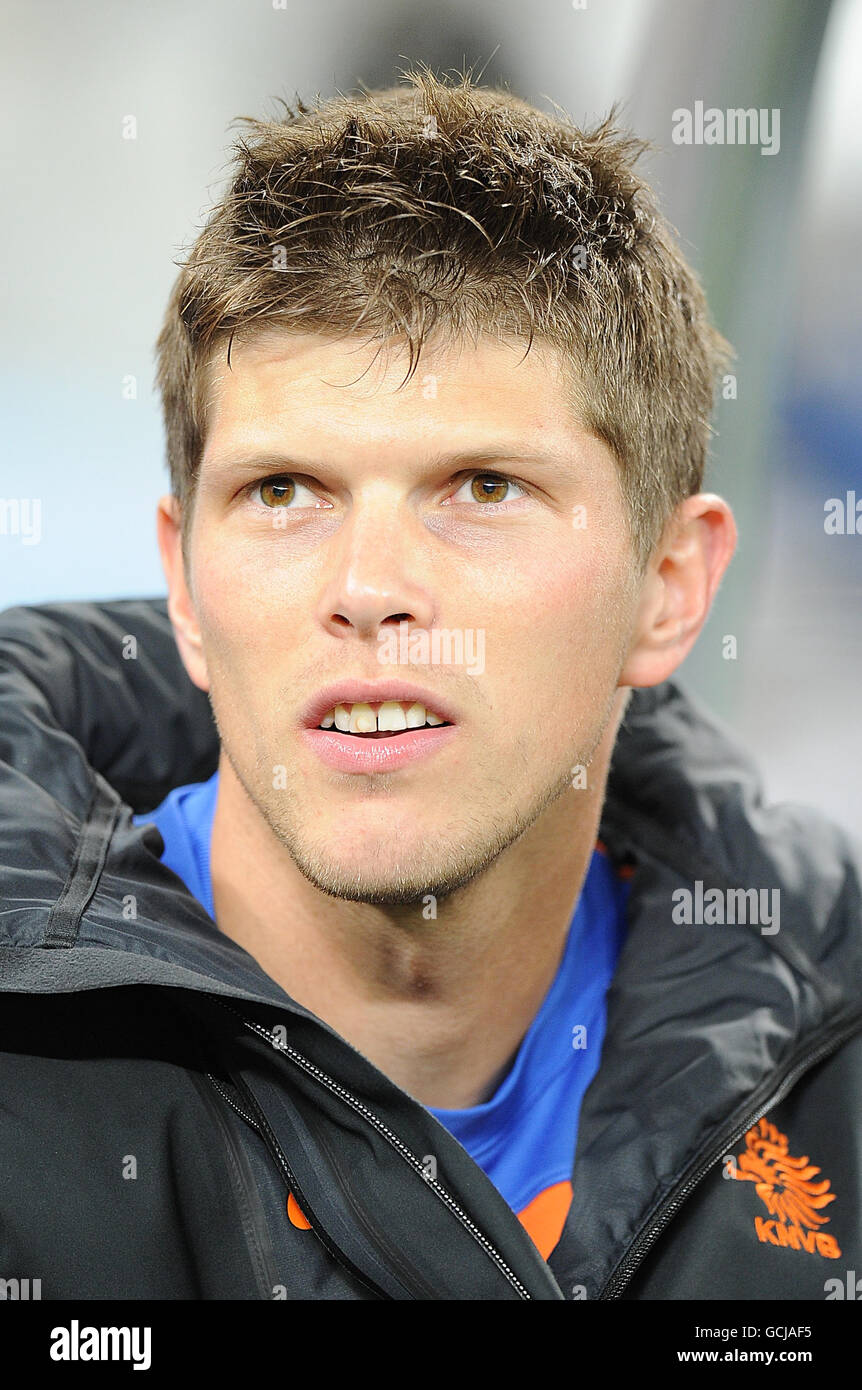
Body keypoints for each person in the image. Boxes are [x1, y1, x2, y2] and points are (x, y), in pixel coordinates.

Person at [0, 66, 859, 1302]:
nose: (366, 586)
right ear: (183, 590)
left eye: (483, 488)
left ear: (669, 584)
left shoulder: (839, 1055)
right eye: (283, 491)